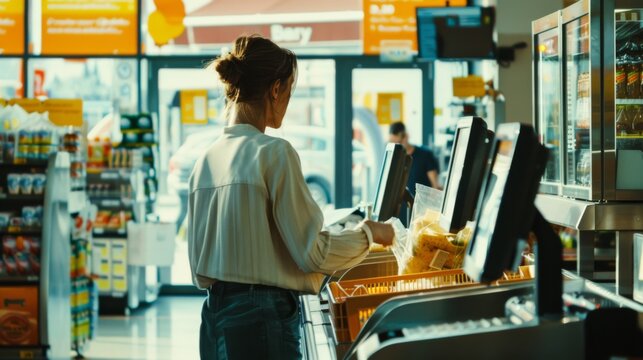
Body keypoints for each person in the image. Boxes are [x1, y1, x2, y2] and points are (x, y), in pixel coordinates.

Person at [188, 35, 395, 360]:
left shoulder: (206, 160)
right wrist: (369, 234)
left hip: (213, 317)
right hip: (262, 318)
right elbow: (311, 253)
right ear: (275, 89)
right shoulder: (274, 153)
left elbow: (199, 268)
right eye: (289, 91)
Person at [388, 121, 442, 224]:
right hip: (402, 209)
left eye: (399, 142)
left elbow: (435, 187)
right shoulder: (395, 159)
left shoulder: (425, 155)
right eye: (393, 142)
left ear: (406, 137)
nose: (397, 146)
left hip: (422, 209)